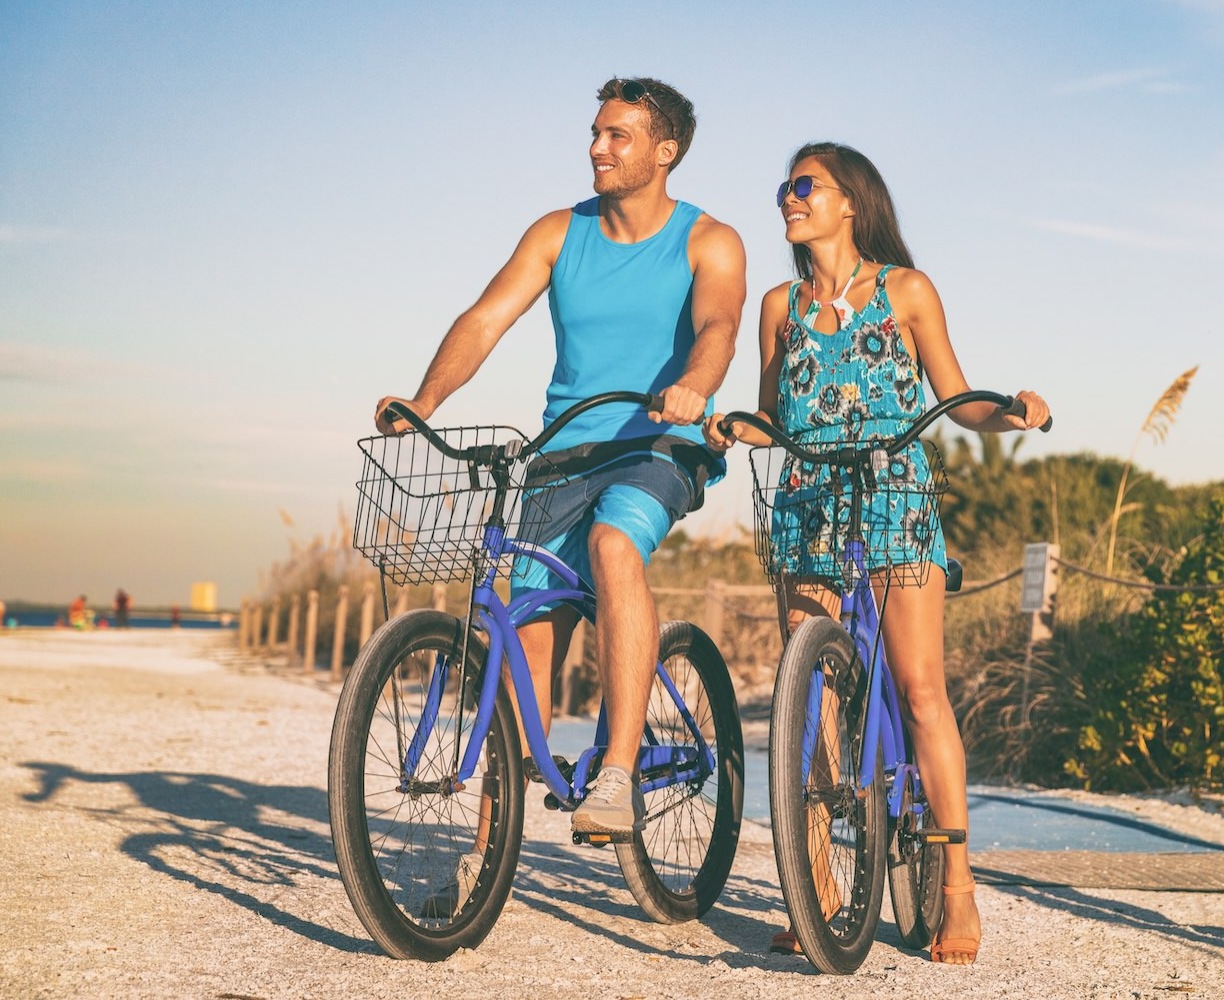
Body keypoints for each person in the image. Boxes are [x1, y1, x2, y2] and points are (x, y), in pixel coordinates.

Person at [374, 77, 745, 847]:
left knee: (615, 546)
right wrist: (424, 402)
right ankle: (487, 853)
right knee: (525, 635)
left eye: (619, 136)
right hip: (562, 453)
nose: (598, 148)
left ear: (664, 151)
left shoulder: (709, 239)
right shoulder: (557, 232)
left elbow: (719, 326)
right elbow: (485, 319)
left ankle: (615, 775)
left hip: (656, 448)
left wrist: (693, 388)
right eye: (596, 132)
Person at [707, 142, 1050, 966]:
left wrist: (1014, 412)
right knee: (811, 701)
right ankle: (816, 885)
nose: (788, 198)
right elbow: (769, 417)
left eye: (804, 185)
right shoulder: (776, 306)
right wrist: (725, 428)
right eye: (785, 187)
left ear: (850, 201)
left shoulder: (906, 291)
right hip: (804, 506)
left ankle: (960, 886)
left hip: (896, 500)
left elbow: (958, 402)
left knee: (924, 690)